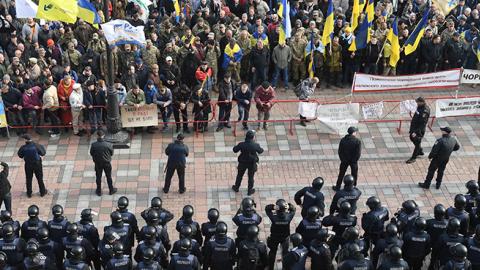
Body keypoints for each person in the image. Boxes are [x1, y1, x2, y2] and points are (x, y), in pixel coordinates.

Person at [265, 199, 296, 270]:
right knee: (285, 253)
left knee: (272, 252)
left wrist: (273, 207)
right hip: (285, 238)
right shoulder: (288, 217)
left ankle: (271, 267)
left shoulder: (274, 217)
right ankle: (284, 268)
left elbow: (267, 209)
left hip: (274, 237)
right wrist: (289, 206)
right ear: (285, 209)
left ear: (277, 209)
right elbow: (293, 209)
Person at [232, 130, 264, 195]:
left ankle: (236, 187)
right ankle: (249, 190)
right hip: (252, 163)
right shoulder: (255, 145)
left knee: (239, 176)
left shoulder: (242, 144)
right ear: (253, 137)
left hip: (242, 162)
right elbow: (261, 151)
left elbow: (235, 150)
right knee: (251, 177)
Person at [89, 130, 117, 196]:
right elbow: (111, 153)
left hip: (98, 163)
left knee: (98, 177)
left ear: (97, 136)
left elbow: (91, 153)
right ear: (103, 136)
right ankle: (111, 190)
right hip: (106, 163)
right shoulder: (109, 144)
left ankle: (99, 191)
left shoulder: (94, 145)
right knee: (108, 176)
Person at [333, 126, 361, 190]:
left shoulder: (343, 140)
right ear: (353, 133)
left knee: (341, 173)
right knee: (354, 174)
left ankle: (338, 186)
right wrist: (354, 160)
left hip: (344, 160)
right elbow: (358, 153)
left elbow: (340, 151)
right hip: (353, 161)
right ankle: (353, 186)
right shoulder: (357, 141)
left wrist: (342, 159)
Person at [406, 97, 430, 164]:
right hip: (414, 128)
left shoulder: (425, 111)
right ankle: (420, 150)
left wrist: (416, 132)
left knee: (417, 142)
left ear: (422, 102)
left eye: (418, 102)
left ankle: (413, 158)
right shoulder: (419, 107)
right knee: (412, 138)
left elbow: (422, 124)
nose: (417, 103)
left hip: (418, 130)